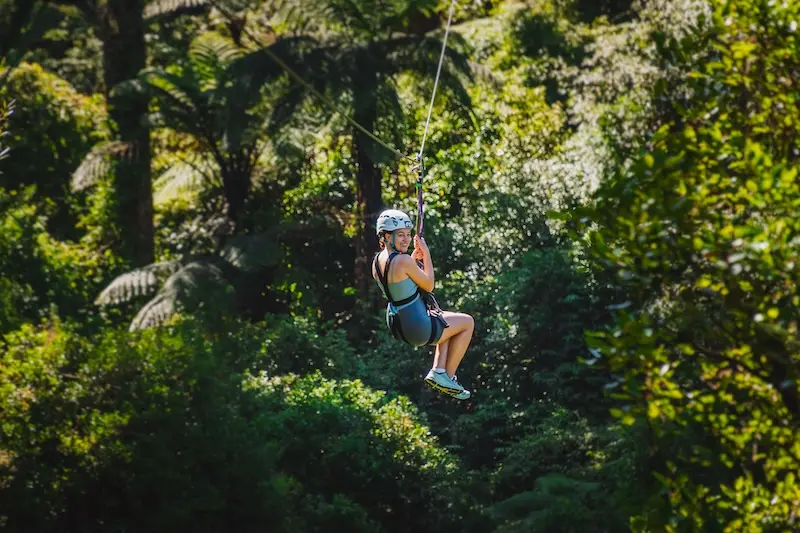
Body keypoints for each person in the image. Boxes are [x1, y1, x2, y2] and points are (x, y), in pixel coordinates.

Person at [371, 209, 475, 400]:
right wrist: (425, 254)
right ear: (386, 236)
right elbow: (428, 285)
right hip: (417, 326)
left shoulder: (377, 262)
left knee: (446, 323)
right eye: (400, 235)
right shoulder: (403, 261)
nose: (406, 239)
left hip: (400, 324)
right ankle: (449, 377)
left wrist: (412, 259)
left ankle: (439, 371)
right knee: (467, 323)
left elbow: (400, 280)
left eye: (408, 235)